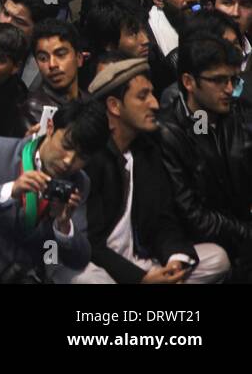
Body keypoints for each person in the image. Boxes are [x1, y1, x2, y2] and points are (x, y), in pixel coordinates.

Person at [74, 57, 229, 284]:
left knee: (217, 258)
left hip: (144, 260)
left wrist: (175, 259)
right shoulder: (91, 158)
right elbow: (89, 243)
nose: (155, 104)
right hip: (106, 268)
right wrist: (140, 279)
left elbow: (162, 221)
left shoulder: (148, 148)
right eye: (142, 96)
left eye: (152, 94)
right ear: (114, 106)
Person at [0, 97, 108, 282]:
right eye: (66, 146)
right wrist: (9, 191)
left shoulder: (79, 182)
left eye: (82, 156)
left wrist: (63, 227)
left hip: (31, 275)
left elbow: (78, 259)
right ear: (51, 128)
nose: (69, 161)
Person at [157, 35, 252, 279]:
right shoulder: (168, 133)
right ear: (188, 81)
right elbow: (193, 216)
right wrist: (246, 232)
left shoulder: (234, 115)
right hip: (200, 244)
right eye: (218, 81)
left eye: (232, 79)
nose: (229, 89)